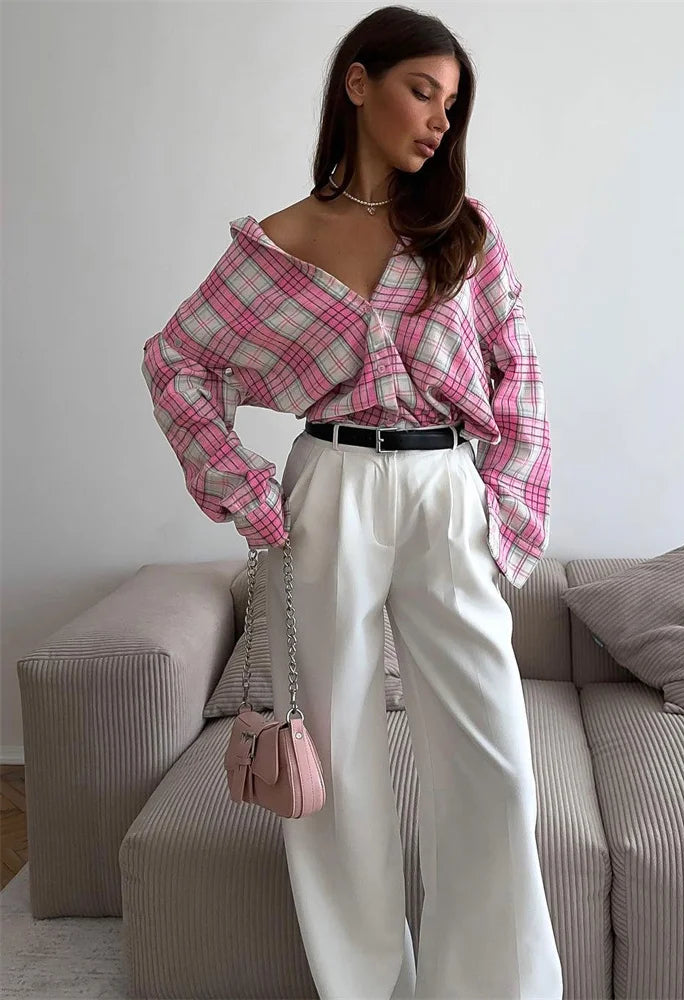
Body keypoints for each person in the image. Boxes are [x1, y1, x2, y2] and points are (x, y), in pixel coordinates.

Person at [141, 7, 563, 998]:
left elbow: (521, 374)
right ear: (359, 83)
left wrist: (501, 513)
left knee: (495, 758)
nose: (440, 121)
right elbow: (176, 361)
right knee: (336, 756)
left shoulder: (463, 232)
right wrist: (245, 489)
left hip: (446, 487)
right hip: (328, 490)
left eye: (452, 105)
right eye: (423, 91)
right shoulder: (274, 249)